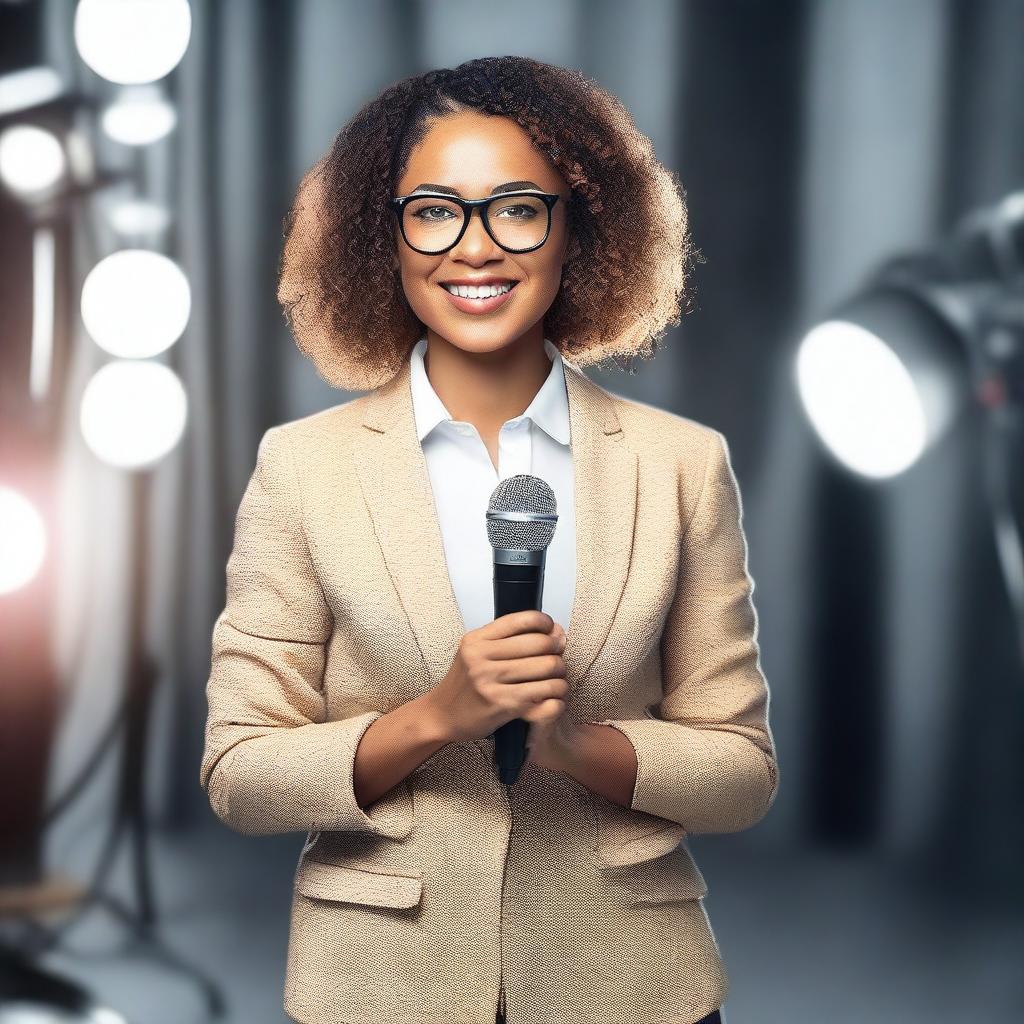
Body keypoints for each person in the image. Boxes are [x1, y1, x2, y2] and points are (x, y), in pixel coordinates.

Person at [201, 56, 778, 1024]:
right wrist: (435, 716)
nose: (473, 247)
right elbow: (240, 774)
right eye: (432, 209)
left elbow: (742, 772)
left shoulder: (681, 463)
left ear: (576, 230)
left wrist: (575, 744)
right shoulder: (301, 467)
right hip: (379, 985)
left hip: (632, 985)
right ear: (381, 237)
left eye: (517, 208)